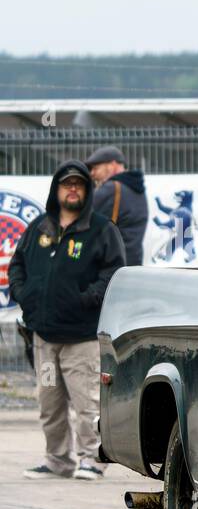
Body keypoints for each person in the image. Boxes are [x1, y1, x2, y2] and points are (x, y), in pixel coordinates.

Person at [8, 161, 126, 480]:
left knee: (86, 401)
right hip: (45, 338)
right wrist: (24, 293)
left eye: (79, 185)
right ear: (56, 189)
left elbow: (113, 273)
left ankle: (91, 459)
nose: (72, 189)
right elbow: (17, 264)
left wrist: (83, 300)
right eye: (66, 184)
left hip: (82, 338)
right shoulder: (39, 228)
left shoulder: (101, 229)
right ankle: (57, 460)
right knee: (50, 401)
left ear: (86, 191)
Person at [86, 146, 148, 267]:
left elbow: (84, 220)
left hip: (112, 266)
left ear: (112, 165)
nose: (92, 173)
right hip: (133, 263)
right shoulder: (137, 188)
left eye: (95, 168)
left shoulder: (110, 188)